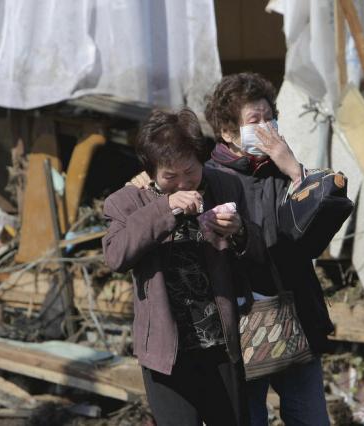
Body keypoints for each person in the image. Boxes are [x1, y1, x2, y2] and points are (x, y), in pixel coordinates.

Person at [103, 108, 265, 426]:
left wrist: (240, 231)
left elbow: (258, 255)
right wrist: (165, 208)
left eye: (190, 172)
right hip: (167, 350)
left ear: (201, 160)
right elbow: (117, 255)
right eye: (170, 177)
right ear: (150, 171)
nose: (182, 183)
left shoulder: (226, 186)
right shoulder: (126, 202)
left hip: (221, 343)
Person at [204, 72, 333, 426]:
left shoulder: (282, 170)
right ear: (228, 132)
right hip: (240, 322)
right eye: (254, 121)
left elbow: (316, 234)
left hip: (296, 313)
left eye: (269, 117)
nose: (266, 128)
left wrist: (294, 170)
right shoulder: (210, 179)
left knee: (310, 417)